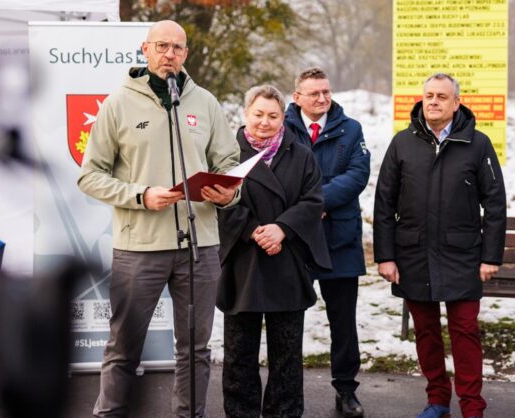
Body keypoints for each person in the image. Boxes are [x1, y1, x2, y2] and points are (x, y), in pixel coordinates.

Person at [77, 20, 241, 418]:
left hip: (198, 244)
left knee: (195, 348)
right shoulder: (118, 103)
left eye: (178, 48)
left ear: (186, 54)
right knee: (123, 346)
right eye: (162, 46)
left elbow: (229, 163)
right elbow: (90, 175)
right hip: (140, 246)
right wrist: (139, 195)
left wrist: (230, 193)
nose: (170, 54)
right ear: (145, 50)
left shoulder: (204, 102)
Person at [372, 73, 506, 418]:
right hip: (413, 254)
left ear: (456, 103)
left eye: (442, 96)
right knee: (426, 333)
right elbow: (384, 203)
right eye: (429, 95)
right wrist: (385, 256)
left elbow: (494, 204)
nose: (433, 101)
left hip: (462, 255)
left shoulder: (477, 143)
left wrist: (490, 257)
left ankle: (472, 407)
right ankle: (437, 401)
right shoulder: (403, 143)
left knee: (465, 332)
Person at [216, 85, 332, 418]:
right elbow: (215, 199)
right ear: (244, 113)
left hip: (287, 260)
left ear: (284, 117)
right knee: (239, 353)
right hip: (243, 262)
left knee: (287, 355)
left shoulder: (300, 153)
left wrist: (282, 228)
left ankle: (284, 413)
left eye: (273, 116)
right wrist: (252, 229)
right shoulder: (226, 152)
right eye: (258, 114)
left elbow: (313, 200)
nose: (265, 122)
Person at [284, 67, 370, 417]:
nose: (322, 98)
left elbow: (357, 174)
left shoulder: (351, 130)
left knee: (343, 322)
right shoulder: (282, 128)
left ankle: (346, 390)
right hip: (297, 241)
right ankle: (287, 391)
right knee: (289, 321)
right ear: (297, 97)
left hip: (340, 239)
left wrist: (315, 202)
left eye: (326, 92)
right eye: (314, 93)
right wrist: (305, 211)